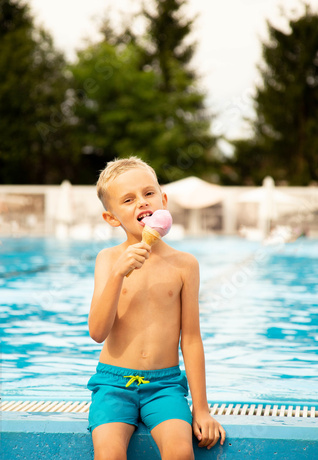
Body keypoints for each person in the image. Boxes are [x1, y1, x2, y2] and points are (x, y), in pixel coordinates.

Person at [87, 157, 226, 460]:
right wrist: (117, 275)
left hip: (164, 386)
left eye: (148, 193)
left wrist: (201, 409)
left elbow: (190, 339)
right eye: (128, 199)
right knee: (108, 454)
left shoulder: (184, 265)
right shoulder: (108, 261)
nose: (142, 203)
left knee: (180, 452)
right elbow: (97, 333)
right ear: (112, 218)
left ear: (163, 200)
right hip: (113, 384)